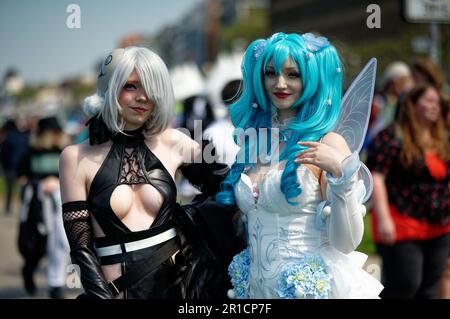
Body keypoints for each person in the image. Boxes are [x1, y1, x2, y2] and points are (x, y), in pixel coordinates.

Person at [59, 46, 242, 299]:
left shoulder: (175, 142)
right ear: (109, 89)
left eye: (150, 87)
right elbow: (80, 246)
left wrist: (190, 222)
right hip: (117, 291)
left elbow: (229, 189)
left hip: (179, 290)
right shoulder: (75, 157)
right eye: (131, 86)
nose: (143, 96)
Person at [216, 32, 383, 299]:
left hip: (311, 290)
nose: (280, 83)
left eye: (293, 75)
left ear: (312, 79)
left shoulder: (329, 142)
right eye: (271, 73)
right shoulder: (256, 141)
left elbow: (347, 242)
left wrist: (342, 176)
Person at [367, 84, 450, 298]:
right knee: (405, 283)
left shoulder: (441, 138)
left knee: (430, 289)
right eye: (429, 101)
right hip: (402, 222)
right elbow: (377, 175)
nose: (435, 107)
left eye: (437, 103)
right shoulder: (392, 136)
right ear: (412, 105)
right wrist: (383, 218)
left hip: (438, 225)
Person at [17, 116, 71, 297]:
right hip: (37, 205)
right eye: (52, 132)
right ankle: (28, 271)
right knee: (35, 246)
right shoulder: (30, 151)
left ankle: (55, 284)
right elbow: (22, 177)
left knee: (61, 243)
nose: (56, 136)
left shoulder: (64, 151)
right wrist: (38, 185)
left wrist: (58, 183)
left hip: (59, 202)